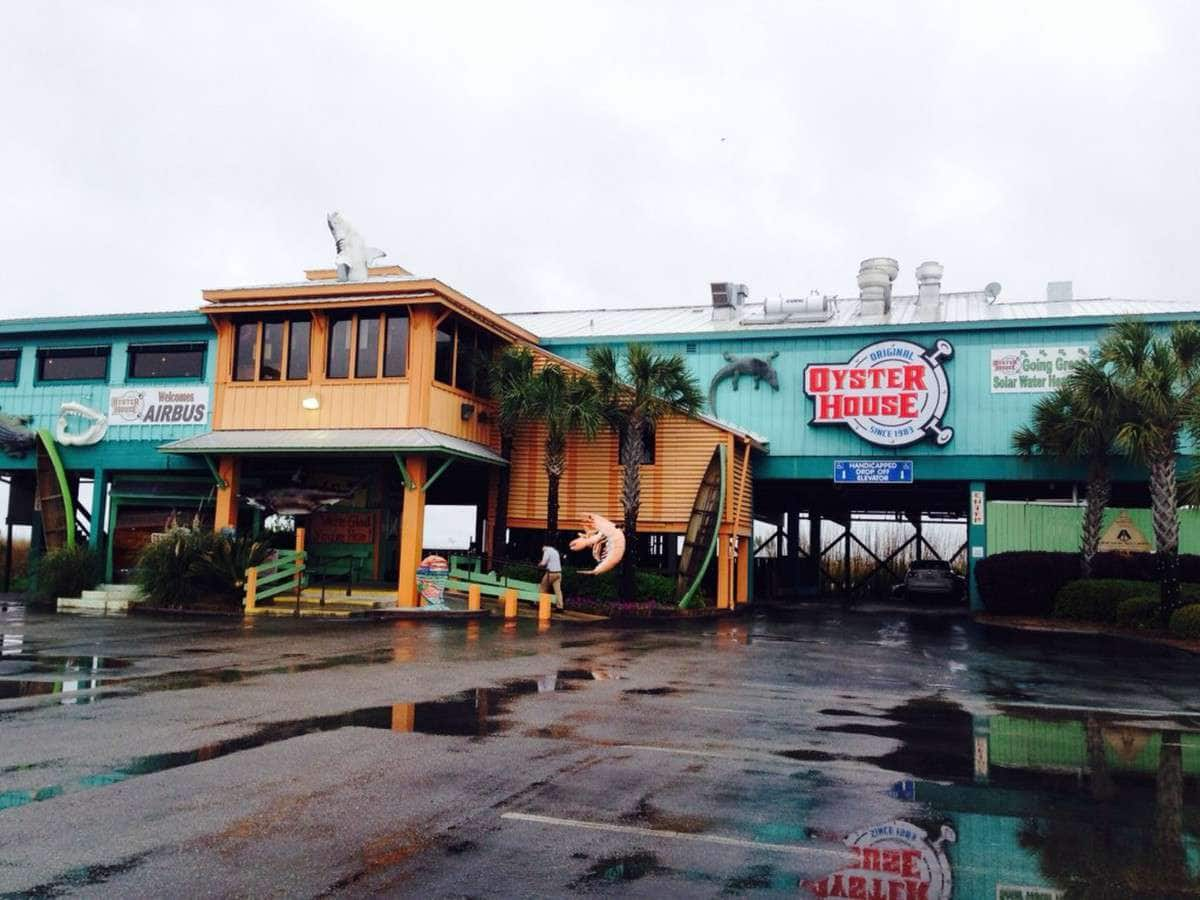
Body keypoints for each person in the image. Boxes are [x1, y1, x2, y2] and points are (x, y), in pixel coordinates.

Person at [538, 542, 564, 610]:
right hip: (559, 573)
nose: (542, 550)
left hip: (551, 573)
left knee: (543, 587)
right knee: (558, 591)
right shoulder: (555, 551)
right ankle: (560, 607)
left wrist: (539, 564)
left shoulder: (547, 551)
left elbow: (544, 563)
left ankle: (539, 603)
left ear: (544, 547)